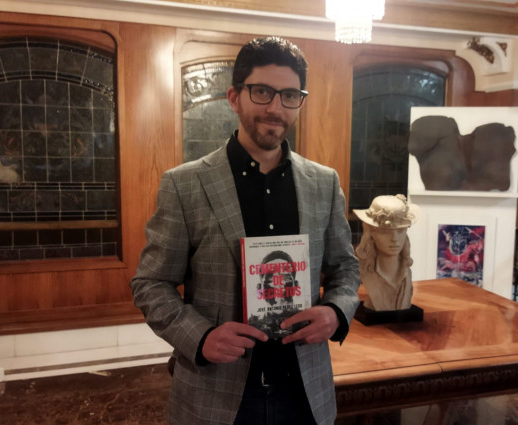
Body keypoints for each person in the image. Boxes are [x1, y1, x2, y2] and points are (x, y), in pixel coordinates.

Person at [130, 36, 360, 425]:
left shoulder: (324, 183)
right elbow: (150, 284)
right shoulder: (184, 184)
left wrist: (337, 311)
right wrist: (201, 337)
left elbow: (346, 267)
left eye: (290, 95)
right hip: (216, 395)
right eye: (262, 92)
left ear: (300, 102)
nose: (276, 108)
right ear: (234, 98)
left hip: (305, 393)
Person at [354, 195, 418, 311]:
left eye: (400, 230)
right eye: (385, 232)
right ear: (371, 234)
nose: (394, 239)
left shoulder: (406, 274)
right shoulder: (368, 274)